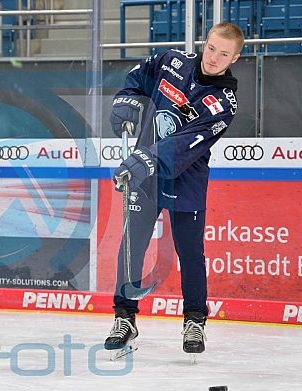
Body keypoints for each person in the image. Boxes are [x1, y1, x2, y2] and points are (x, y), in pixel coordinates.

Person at [104, 22, 244, 358]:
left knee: (190, 253)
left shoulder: (223, 103)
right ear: (204, 42)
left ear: (235, 58)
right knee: (131, 246)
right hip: (144, 173)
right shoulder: (171, 61)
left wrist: (144, 159)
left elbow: (184, 144)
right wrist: (128, 98)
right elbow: (141, 75)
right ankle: (125, 317)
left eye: (224, 54)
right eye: (211, 48)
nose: (214, 57)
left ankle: (195, 319)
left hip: (186, 180)